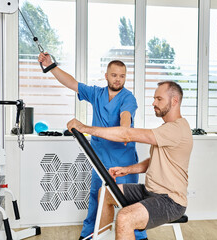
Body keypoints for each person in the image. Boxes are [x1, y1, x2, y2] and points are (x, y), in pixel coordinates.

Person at [38, 53, 148, 240]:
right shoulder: (97, 94)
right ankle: (91, 234)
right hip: (99, 160)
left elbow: (125, 117)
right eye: (114, 75)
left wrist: (125, 130)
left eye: (122, 76)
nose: (118, 79)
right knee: (96, 199)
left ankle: (139, 237)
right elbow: (72, 83)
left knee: (128, 203)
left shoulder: (128, 98)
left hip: (124, 161)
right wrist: (51, 66)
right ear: (106, 76)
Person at [67, 81, 193, 240]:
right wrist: (127, 170)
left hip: (170, 201)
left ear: (174, 101)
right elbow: (155, 160)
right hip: (150, 192)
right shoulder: (166, 128)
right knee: (105, 192)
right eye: (154, 98)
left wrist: (85, 128)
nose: (153, 103)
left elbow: (126, 135)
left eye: (159, 99)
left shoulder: (177, 129)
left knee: (125, 218)